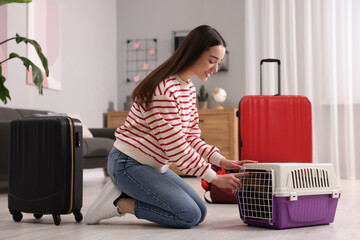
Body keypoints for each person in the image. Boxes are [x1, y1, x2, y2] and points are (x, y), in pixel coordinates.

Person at [84, 25, 256, 229]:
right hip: (128, 164)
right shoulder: (164, 90)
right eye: (211, 61)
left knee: (200, 212)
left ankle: (131, 192)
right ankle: (119, 203)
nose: (215, 69)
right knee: (188, 216)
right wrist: (214, 178)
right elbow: (177, 149)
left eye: (218, 63)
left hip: (154, 166)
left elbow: (191, 137)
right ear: (193, 53)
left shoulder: (188, 88)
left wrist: (222, 161)